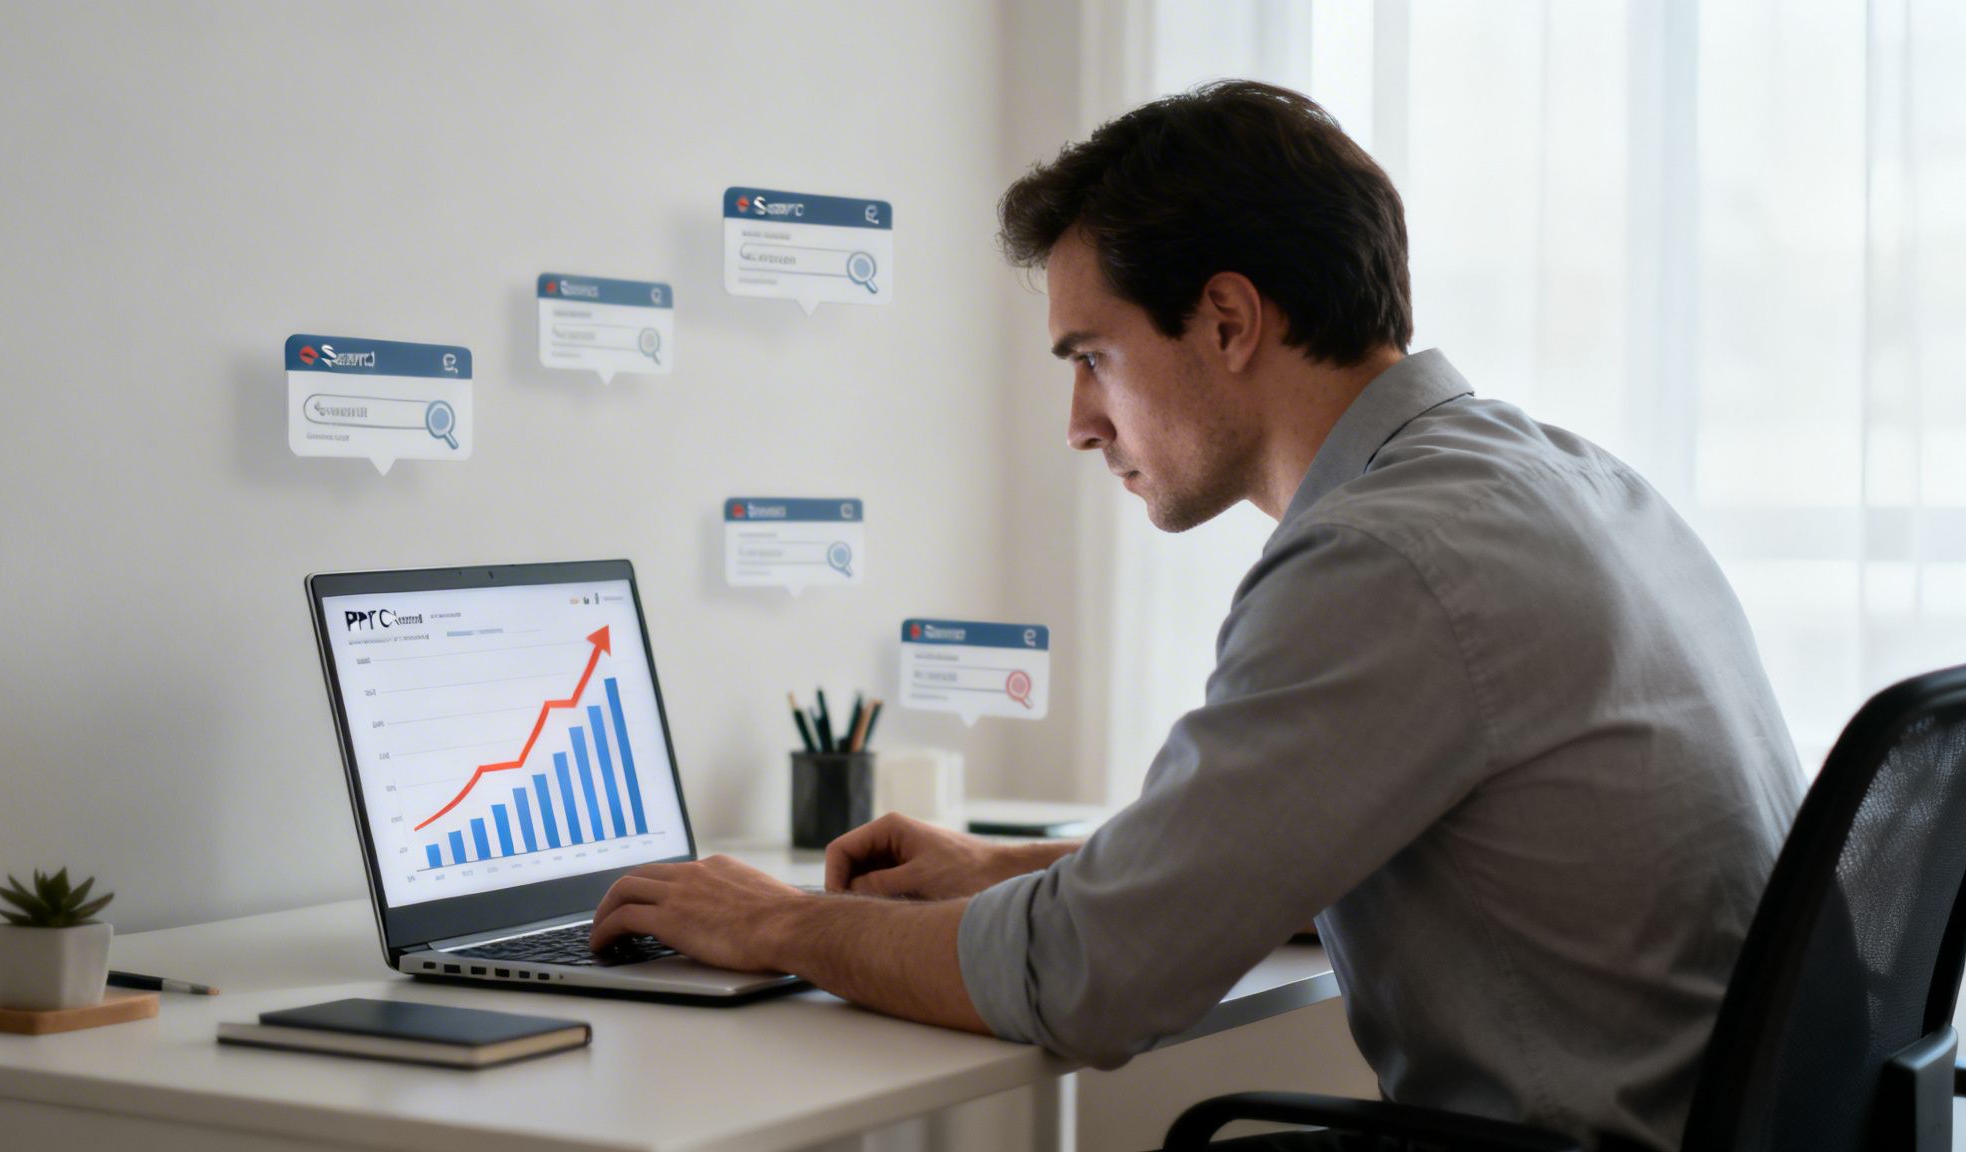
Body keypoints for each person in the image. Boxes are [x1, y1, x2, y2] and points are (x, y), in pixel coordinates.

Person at [591, 80, 1804, 1152]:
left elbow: (1087, 979)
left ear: (1226, 321)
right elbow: (1316, 851)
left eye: (1091, 357)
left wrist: (780, 924)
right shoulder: (1558, 480)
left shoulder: (1383, 558)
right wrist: (1009, 869)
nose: (1077, 424)